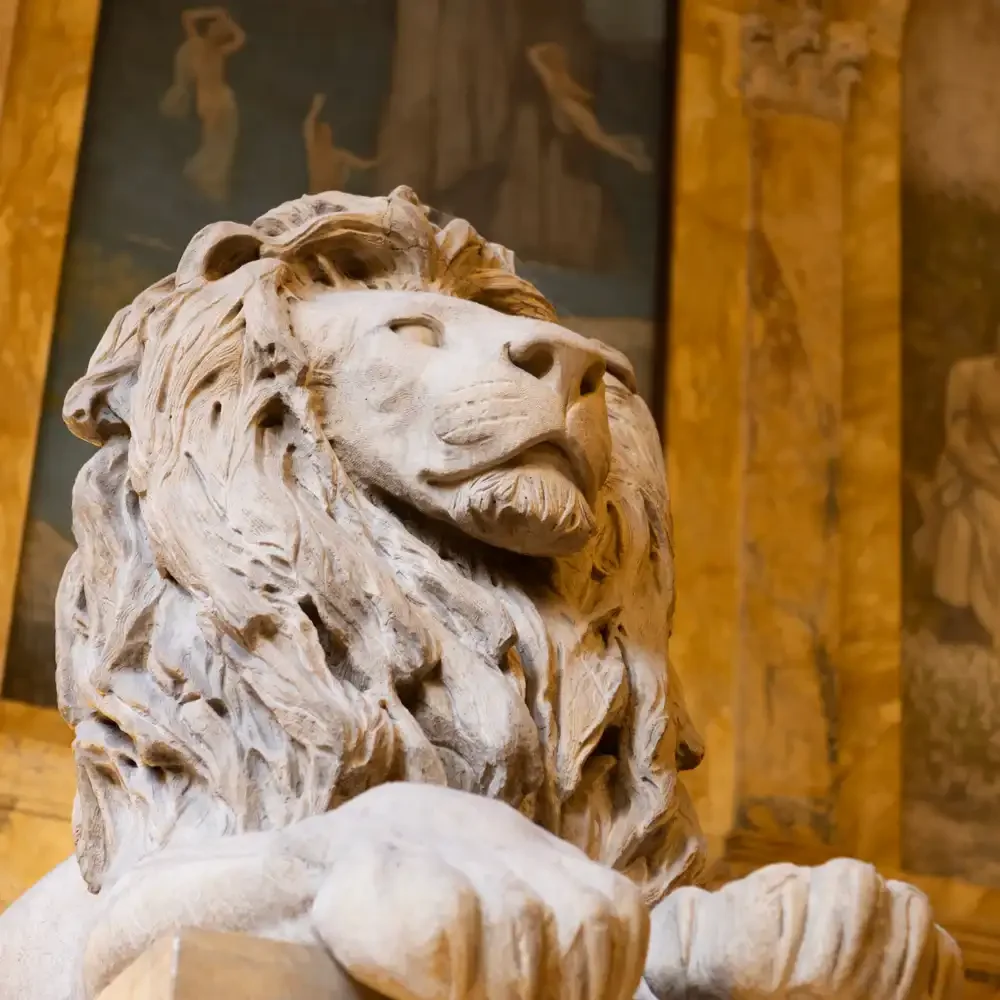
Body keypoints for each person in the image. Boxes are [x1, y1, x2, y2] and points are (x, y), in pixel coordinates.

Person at [914, 332, 1000, 646]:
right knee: (989, 517)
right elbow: (956, 444)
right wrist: (990, 480)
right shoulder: (968, 374)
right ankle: (983, 621)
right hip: (970, 473)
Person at [160, 7, 246, 202]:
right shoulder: (197, 45)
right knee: (215, 141)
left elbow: (240, 38)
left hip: (220, 99)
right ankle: (202, 176)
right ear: (209, 29)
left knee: (222, 142)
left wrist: (224, 19)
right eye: (218, 27)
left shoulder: (218, 51)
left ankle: (211, 180)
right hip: (211, 101)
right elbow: (187, 17)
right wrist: (215, 13)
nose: (221, 30)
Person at [302, 93, 378, 194]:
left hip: (335, 198)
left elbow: (363, 165)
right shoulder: (314, 148)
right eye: (324, 132)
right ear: (319, 134)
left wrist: (381, 161)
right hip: (318, 196)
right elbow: (308, 125)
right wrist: (316, 108)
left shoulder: (338, 154)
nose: (328, 135)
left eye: (329, 132)